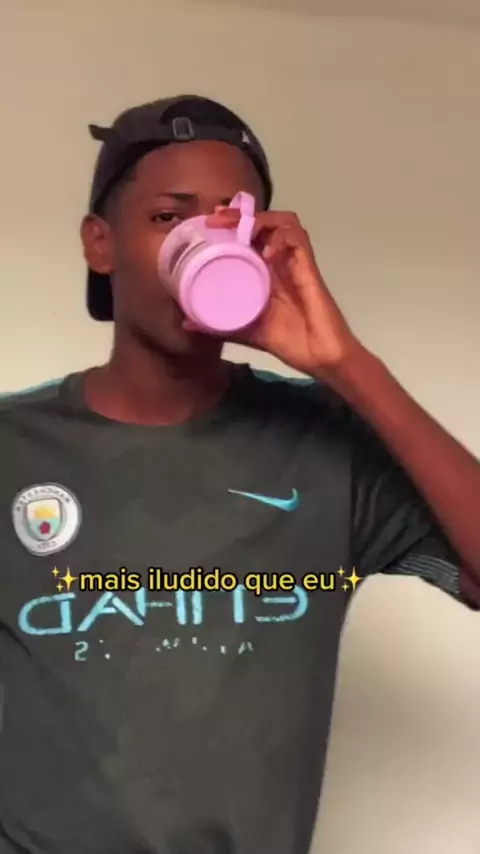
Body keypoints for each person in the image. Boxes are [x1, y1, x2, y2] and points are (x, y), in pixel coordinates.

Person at [0, 94, 479, 854]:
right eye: (169, 217)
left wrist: (345, 364)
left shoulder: (324, 444)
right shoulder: (14, 446)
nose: (200, 243)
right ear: (100, 243)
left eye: (232, 223)